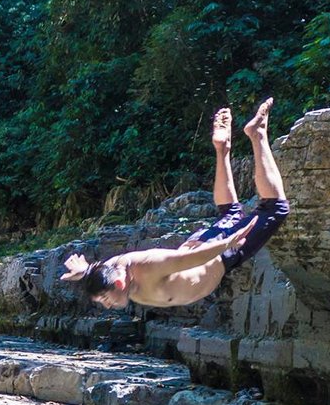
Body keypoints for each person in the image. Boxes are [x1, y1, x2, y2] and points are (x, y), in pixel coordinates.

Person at [60, 97, 289, 309]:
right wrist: (85, 271)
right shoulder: (113, 271)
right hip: (209, 248)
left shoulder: (147, 265)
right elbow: (101, 271)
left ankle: (258, 134)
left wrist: (228, 243)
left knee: (275, 208)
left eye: (105, 299)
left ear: (119, 283)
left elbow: (187, 259)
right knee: (230, 214)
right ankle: (222, 148)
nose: (107, 305)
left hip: (217, 254)